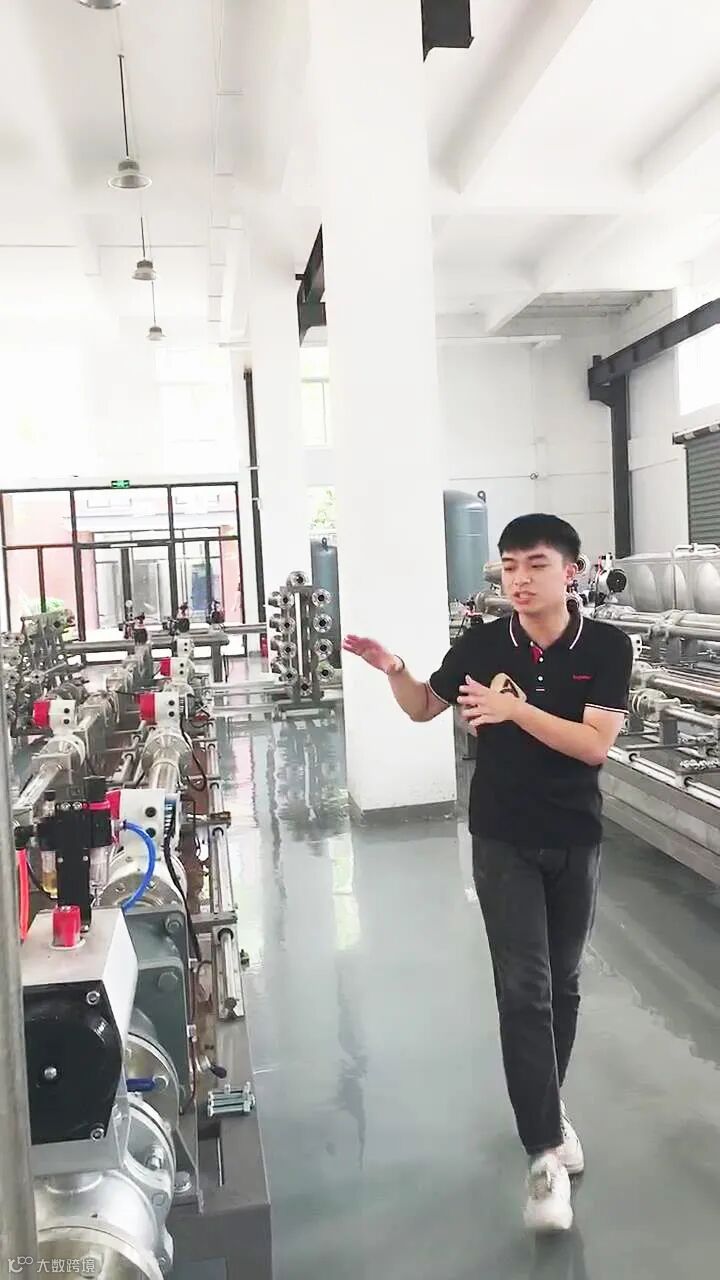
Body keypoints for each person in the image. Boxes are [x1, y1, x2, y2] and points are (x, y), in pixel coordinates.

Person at [343, 513, 633, 1233]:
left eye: (535, 564)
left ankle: (547, 1107)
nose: (519, 580)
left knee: (562, 986)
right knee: (524, 989)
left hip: (576, 837)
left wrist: (512, 709)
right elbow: (423, 708)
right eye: (509, 566)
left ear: (570, 571)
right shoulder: (480, 644)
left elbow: (593, 746)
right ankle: (542, 1155)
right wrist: (396, 671)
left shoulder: (607, 647)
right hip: (502, 839)